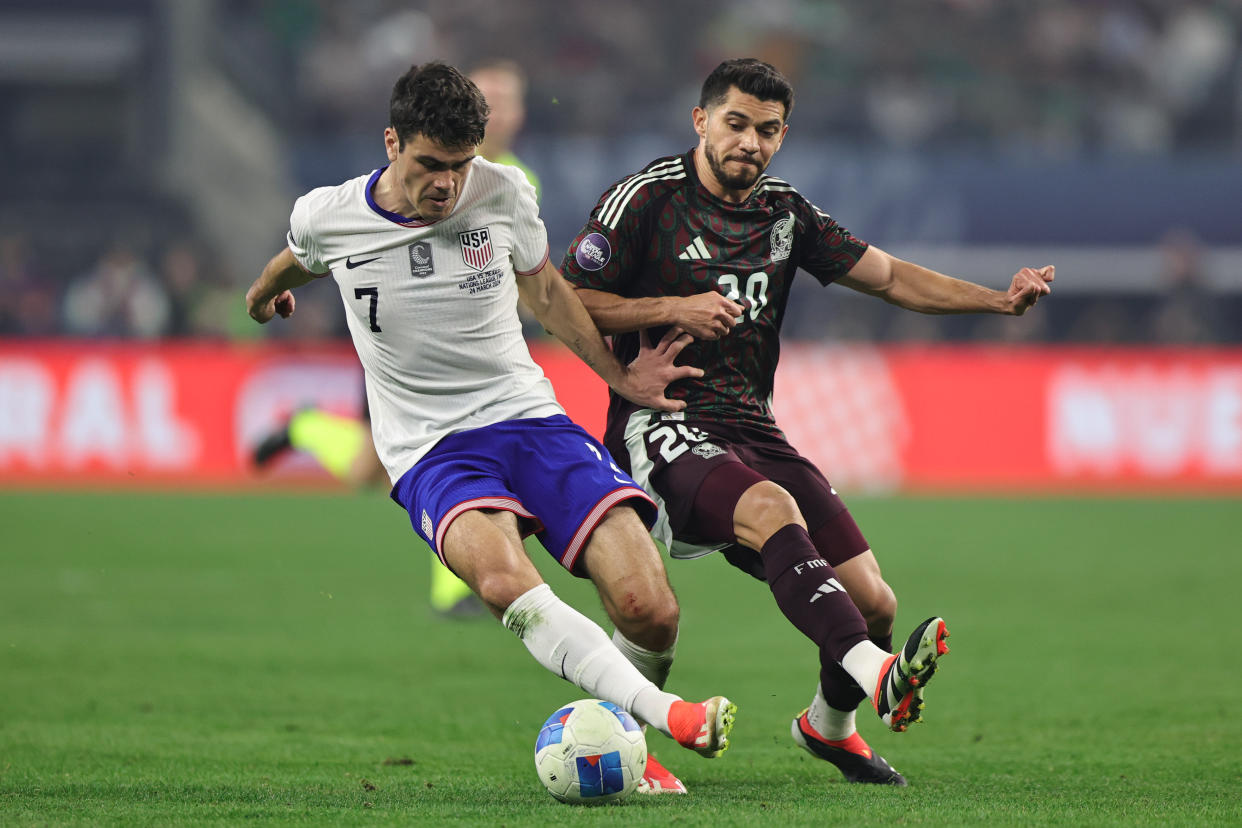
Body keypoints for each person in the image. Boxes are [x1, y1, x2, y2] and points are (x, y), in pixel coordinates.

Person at [244, 61, 735, 795]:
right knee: (505, 581)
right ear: (391, 143)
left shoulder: (505, 192)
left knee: (650, 608)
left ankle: (630, 730)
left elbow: (548, 292)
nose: (447, 183)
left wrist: (618, 377)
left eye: (461, 164)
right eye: (430, 165)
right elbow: (298, 258)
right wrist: (261, 297)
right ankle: (667, 718)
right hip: (428, 447)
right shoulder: (329, 213)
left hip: (527, 417)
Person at [561, 58, 1054, 786]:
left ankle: (830, 727)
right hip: (662, 419)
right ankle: (876, 671)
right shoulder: (646, 200)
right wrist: (671, 308)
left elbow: (887, 277)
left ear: (782, 135)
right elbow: (567, 295)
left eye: (767, 131)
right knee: (769, 509)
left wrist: (996, 301)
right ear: (701, 121)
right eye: (735, 125)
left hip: (752, 426)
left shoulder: (784, 213)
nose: (749, 144)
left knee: (874, 599)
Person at [252, 60, 544, 619]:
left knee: (379, 467)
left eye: (511, 100)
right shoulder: (421, 171)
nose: (502, 110)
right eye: (493, 98)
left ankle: (305, 426)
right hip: (404, 347)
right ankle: (455, 588)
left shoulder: (516, 180)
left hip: (477, 348)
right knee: (433, 453)